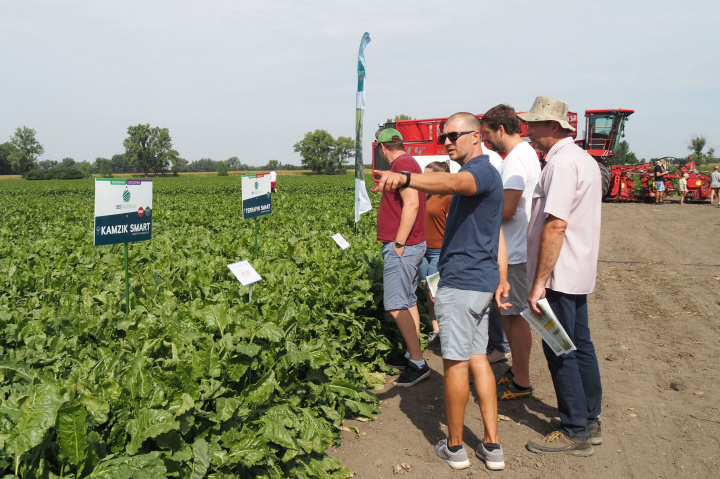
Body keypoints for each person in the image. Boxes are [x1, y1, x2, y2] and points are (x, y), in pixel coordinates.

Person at [373, 112, 509, 471]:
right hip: (481, 281)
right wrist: (503, 276)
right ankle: (492, 445)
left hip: (462, 283)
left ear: (477, 136)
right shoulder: (489, 174)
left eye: (454, 135)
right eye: (443, 136)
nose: (447, 142)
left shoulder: (478, 172)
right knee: (478, 358)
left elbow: (452, 184)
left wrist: (404, 176)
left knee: (455, 365)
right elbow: (497, 233)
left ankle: (455, 447)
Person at [520, 96, 602, 456]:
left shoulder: (562, 164)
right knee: (580, 344)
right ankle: (588, 417)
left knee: (560, 350)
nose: (529, 132)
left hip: (558, 275)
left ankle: (575, 431)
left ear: (553, 127)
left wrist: (538, 282)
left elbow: (555, 226)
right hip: (575, 271)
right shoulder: (581, 159)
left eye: (534, 125)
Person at [481, 104, 541, 400]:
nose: (486, 140)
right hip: (518, 247)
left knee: (515, 317)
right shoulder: (525, 154)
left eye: (488, 133)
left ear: (501, 130)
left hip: (515, 250)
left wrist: (478, 209)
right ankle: (518, 372)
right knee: (511, 315)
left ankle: (522, 381)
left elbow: (507, 208)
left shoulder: (516, 160)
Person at [375, 128, 430, 387]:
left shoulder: (402, 164)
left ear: (383, 147)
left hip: (403, 246)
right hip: (410, 245)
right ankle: (411, 353)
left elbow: (412, 204)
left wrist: (398, 242)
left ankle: (418, 363)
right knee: (407, 301)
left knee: (396, 305)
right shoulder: (406, 163)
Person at [418, 161, 451, 348]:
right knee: (426, 288)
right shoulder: (426, 196)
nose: (424, 178)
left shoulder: (448, 197)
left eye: (427, 175)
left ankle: (447, 330)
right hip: (423, 249)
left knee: (434, 293)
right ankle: (436, 330)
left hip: (439, 250)